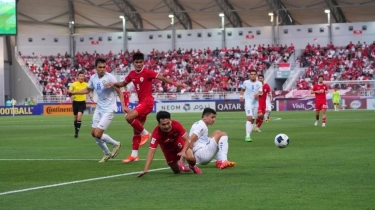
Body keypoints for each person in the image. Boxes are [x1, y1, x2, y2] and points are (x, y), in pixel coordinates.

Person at [105, 52, 184, 164]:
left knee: (128, 117)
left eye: (140, 62)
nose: (138, 64)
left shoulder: (147, 72)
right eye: (136, 62)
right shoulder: (132, 74)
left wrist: (175, 84)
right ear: (133, 63)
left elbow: (162, 78)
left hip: (147, 102)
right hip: (141, 103)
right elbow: (123, 83)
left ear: (143, 62)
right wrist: (112, 84)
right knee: (136, 131)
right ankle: (134, 155)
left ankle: (146, 133)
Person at [68, 58, 122, 163]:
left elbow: (119, 91)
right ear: (96, 68)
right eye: (100, 67)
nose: (102, 69)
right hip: (99, 108)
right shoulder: (93, 78)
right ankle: (106, 153)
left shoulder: (110, 77)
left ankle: (116, 144)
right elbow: (88, 89)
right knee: (93, 133)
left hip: (109, 109)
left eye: (104, 67)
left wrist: (123, 105)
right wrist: (74, 93)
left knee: (98, 133)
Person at [137, 111, 201, 177]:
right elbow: (151, 152)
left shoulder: (176, 124)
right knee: (177, 171)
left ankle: (192, 166)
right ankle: (183, 166)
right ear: (159, 124)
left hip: (179, 144)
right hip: (168, 151)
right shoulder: (156, 134)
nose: (167, 126)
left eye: (168, 123)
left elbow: (187, 139)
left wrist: (183, 151)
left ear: (170, 121)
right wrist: (145, 169)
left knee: (190, 158)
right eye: (163, 124)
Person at [239, 70, 263, 142]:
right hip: (248, 103)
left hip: (255, 103)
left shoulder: (259, 83)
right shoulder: (246, 82)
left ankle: (249, 133)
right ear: (250, 75)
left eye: (254, 74)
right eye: (251, 74)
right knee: (249, 118)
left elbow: (261, 93)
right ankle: (247, 136)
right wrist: (241, 96)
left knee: (252, 120)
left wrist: (258, 95)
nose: (253, 75)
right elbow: (243, 90)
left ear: (256, 75)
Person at [69, 71, 93, 138]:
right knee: (75, 118)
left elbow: (89, 91)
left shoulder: (86, 84)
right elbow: (70, 92)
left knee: (79, 116)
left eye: (83, 76)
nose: (82, 77)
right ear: (78, 77)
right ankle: (76, 130)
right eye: (80, 76)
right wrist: (71, 96)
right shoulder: (73, 84)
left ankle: (77, 132)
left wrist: (91, 97)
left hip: (82, 102)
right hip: (75, 102)